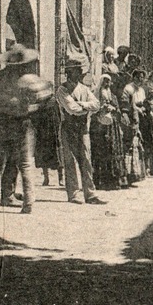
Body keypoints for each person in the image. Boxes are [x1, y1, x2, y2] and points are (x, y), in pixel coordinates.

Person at [0, 46, 52, 214]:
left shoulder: (0, 77)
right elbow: (47, 93)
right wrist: (34, 108)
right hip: (22, 123)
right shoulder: (29, 79)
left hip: (3, 121)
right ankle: (28, 202)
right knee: (25, 163)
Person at [55, 58, 105, 205]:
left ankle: (90, 194)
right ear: (68, 73)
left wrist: (82, 104)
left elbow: (96, 104)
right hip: (68, 128)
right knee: (70, 161)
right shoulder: (62, 89)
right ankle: (74, 194)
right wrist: (85, 108)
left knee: (86, 160)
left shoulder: (84, 88)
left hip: (83, 129)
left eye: (79, 71)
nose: (77, 74)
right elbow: (72, 109)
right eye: (74, 71)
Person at [90, 73, 126, 188]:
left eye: (108, 81)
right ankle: (99, 181)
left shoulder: (113, 96)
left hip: (112, 126)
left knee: (112, 150)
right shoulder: (95, 96)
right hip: (99, 127)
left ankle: (112, 180)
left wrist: (113, 108)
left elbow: (118, 109)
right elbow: (92, 109)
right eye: (104, 81)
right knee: (100, 152)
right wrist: (101, 109)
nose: (106, 84)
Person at [120, 67, 147, 183]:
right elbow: (129, 104)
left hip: (140, 116)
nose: (140, 80)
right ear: (134, 77)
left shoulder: (141, 90)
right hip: (131, 117)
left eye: (142, 78)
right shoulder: (128, 88)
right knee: (130, 144)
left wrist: (142, 108)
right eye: (138, 77)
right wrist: (137, 108)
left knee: (138, 144)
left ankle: (136, 173)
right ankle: (128, 174)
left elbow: (143, 102)